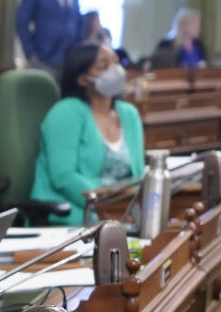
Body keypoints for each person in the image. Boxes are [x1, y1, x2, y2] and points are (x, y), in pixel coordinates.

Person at [30, 43, 144, 226]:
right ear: (83, 79)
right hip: (76, 216)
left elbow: (138, 175)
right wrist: (108, 207)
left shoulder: (129, 114)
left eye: (115, 62)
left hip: (123, 215)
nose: (115, 70)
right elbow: (64, 178)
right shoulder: (66, 113)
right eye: (103, 66)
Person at [15, 0, 82, 74]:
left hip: (69, 59)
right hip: (43, 57)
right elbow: (22, 21)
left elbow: (79, 23)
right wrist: (30, 53)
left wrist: (78, 52)